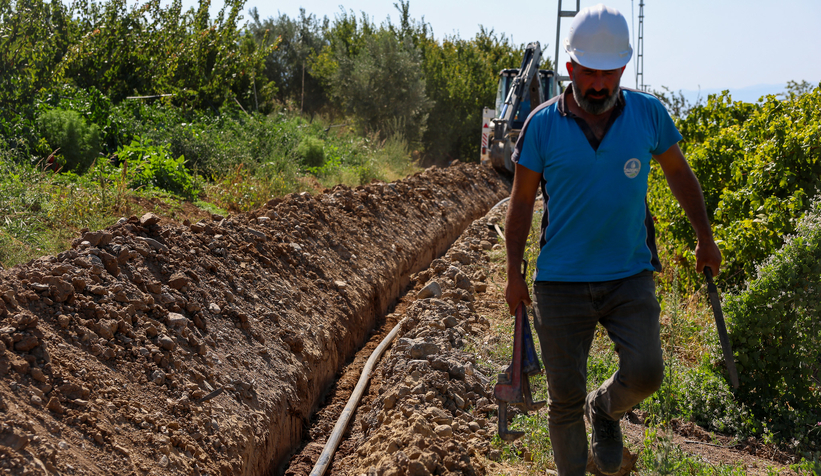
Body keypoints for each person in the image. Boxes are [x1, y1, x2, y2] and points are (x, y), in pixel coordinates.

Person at [503, 4, 722, 476]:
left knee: (646, 373)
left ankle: (604, 409)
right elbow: (520, 204)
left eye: (609, 74)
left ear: (623, 68)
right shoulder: (541, 124)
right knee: (563, 400)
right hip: (560, 282)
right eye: (589, 74)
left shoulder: (648, 114)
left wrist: (705, 237)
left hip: (630, 274)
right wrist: (513, 275)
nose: (599, 85)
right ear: (570, 68)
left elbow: (680, 174)